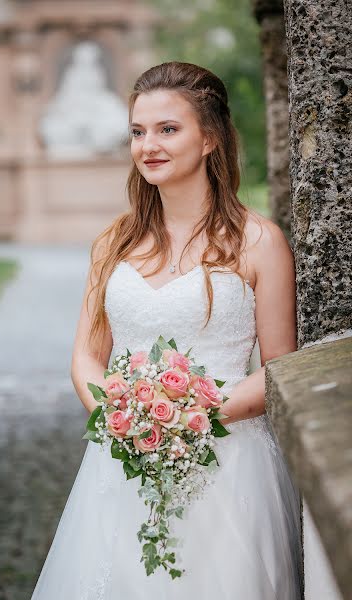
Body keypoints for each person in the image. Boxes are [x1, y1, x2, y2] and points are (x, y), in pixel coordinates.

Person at [30, 61, 303, 599]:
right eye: (138, 131)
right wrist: (120, 416)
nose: (148, 145)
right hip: (123, 462)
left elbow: (279, 370)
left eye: (167, 129)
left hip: (226, 463)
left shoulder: (259, 242)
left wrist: (188, 416)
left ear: (210, 139)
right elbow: (86, 357)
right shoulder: (113, 243)